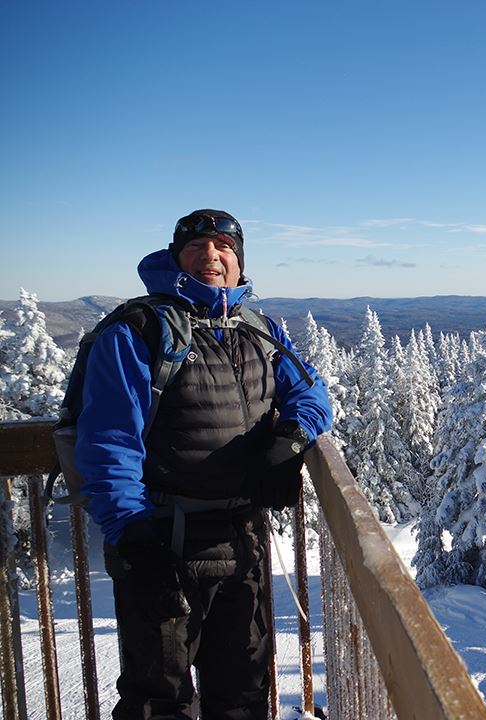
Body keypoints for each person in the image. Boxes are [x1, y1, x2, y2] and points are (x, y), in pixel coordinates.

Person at [75, 209, 334, 719]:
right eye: (197, 247)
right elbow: (109, 442)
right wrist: (132, 537)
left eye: (223, 246)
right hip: (163, 542)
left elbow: (312, 393)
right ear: (177, 258)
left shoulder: (259, 329)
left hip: (243, 540)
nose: (211, 256)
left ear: (238, 260)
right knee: (160, 702)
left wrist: (290, 439)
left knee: (243, 695)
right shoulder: (138, 332)